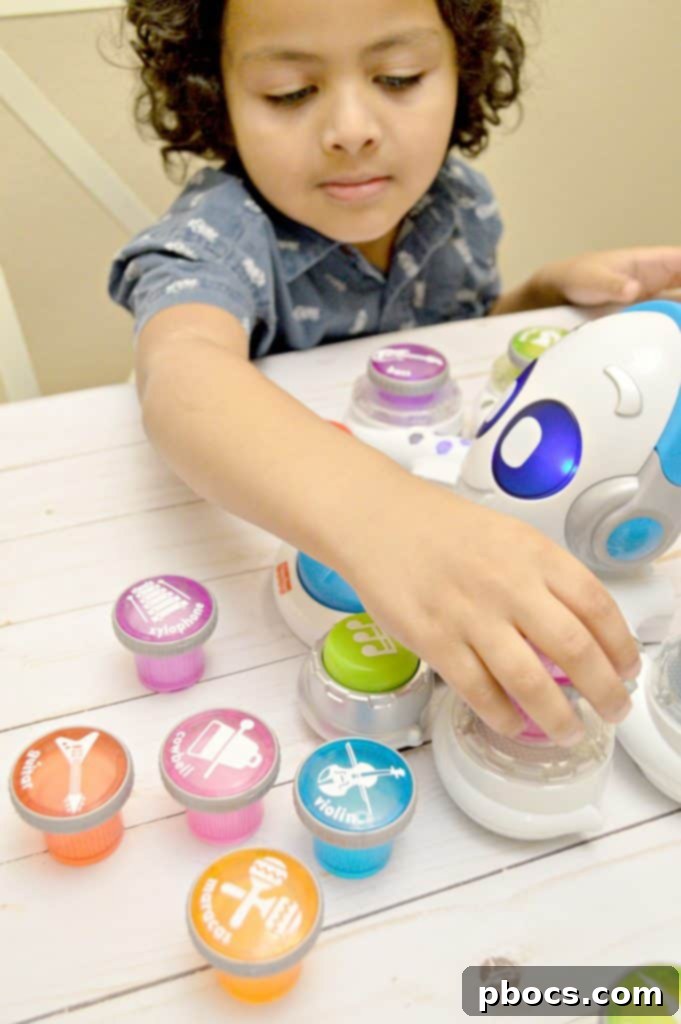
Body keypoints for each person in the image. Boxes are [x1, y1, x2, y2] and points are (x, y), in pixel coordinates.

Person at [110, 0, 681, 746]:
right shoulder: (214, 239)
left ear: (460, 72)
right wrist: (388, 519)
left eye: (399, 77)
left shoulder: (456, 205)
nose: (352, 127)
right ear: (214, 94)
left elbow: (453, 338)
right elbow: (182, 375)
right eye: (289, 90)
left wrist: (540, 297)